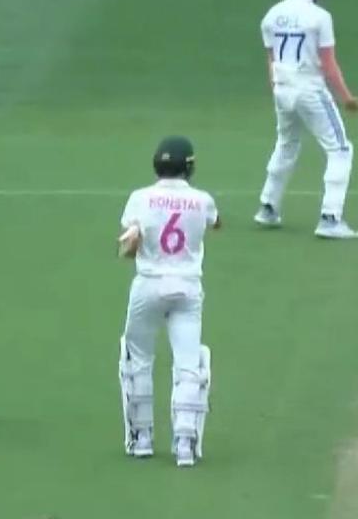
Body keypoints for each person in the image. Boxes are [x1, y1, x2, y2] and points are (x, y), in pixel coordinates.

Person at [117, 136, 219, 467]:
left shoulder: (139, 198)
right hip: (188, 286)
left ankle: (142, 437)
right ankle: (185, 442)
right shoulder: (202, 200)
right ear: (189, 166)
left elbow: (129, 237)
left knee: (138, 359)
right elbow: (215, 224)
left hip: (148, 283)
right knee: (188, 363)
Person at [254, 0, 358, 239]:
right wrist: (347, 97)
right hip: (309, 88)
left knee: (286, 144)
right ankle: (330, 217)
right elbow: (328, 64)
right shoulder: (319, 17)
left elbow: (271, 59)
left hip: (282, 87)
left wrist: (278, 89)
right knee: (340, 150)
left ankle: (268, 206)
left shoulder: (271, 15)